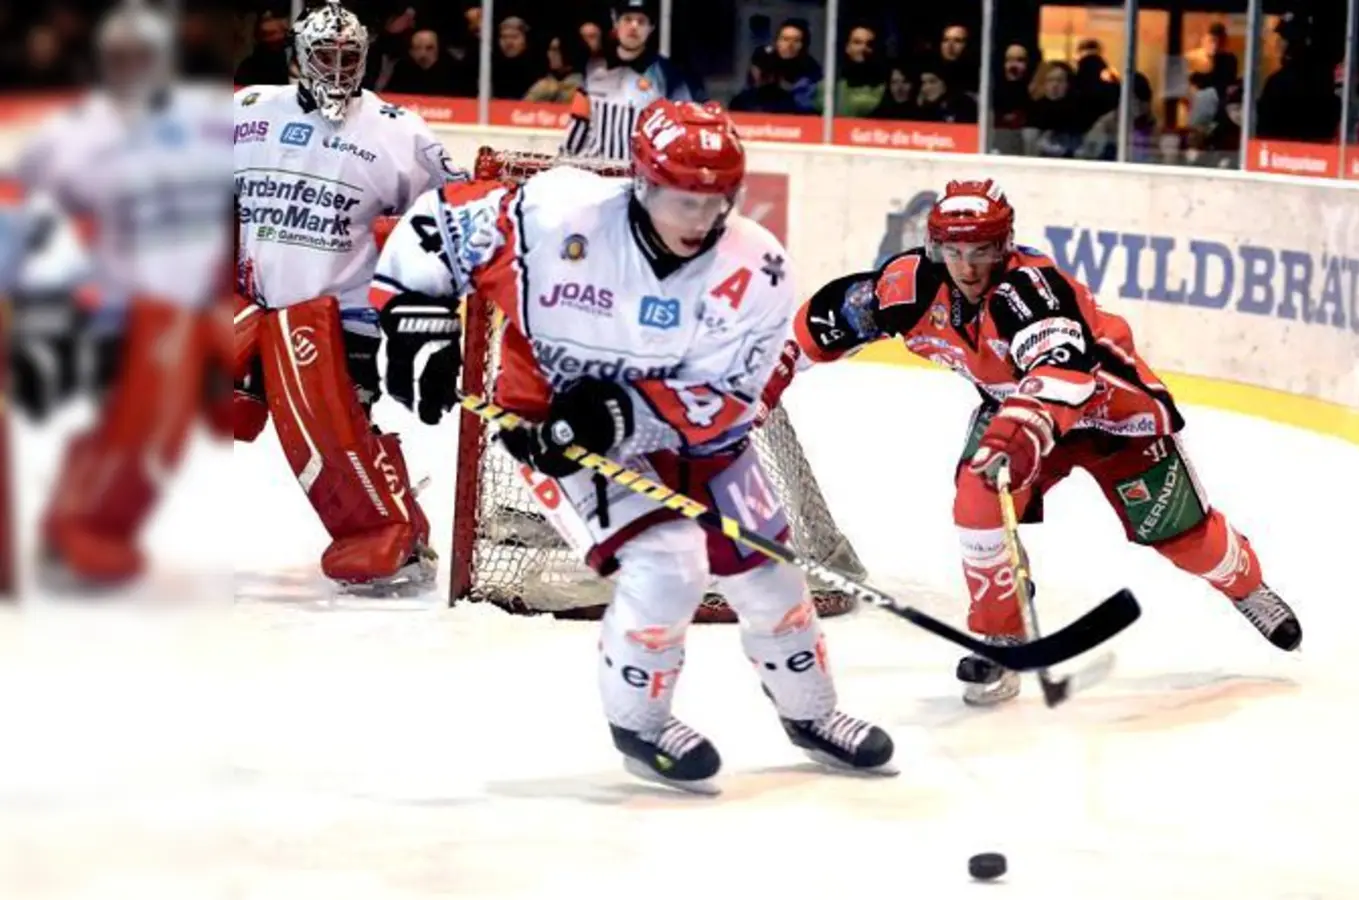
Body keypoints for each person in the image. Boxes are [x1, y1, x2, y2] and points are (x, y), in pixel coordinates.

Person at [369, 99, 895, 793]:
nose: (701, 220)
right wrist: (416, 323)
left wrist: (622, 413)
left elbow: (735, 396)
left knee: (771, 574)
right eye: (684, 200)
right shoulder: (554, 217)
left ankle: (811, 715)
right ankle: (641, 725)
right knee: (668, 565)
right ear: (642, 182)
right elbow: (435, 226)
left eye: (718, 201)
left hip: (695, 438)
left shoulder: (757, 268)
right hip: (550, 428)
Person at [762, 180, 1303, 706]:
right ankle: (1002, 635)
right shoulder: (908, 288)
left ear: (1005, 245)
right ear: (936, 247)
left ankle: (1245, 585)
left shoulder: (1030, 290)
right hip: (1016, 412)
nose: (968, 266)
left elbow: (1065, 372)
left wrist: (1018, 429)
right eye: (954, 250)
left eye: (983, 249)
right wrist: (760, 385)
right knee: (977, 501)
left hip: (1111, 417)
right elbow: (822, 322)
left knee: (1187, 539)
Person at [232, 1, 465, 596]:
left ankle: (393, 534)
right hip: (255, 307)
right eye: (325, 56)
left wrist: (429, 296)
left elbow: (457, 205)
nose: (338, 69)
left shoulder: (396, 128)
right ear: (296, 59)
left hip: (342, 316)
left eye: (350, 57)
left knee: (335, 430)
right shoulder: (248, 110)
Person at [14, 0, 233, 589]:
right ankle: (80, 529)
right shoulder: (74, 131)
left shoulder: (206, 120)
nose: (133, 66)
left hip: (194, 308)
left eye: (144, 55)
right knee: (133, 431)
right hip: (116, 310)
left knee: (149, 433)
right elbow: (19, 204)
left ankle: (74, 524)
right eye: (122, 56)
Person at [561, 0, 702, 162]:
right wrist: (565, 161)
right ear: (616, 23)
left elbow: (684, 127)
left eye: (641, 21)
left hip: (643, 177)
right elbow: (578, 124)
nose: (634, 26)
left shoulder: (668, 74)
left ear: (651, 28)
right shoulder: (593, 66)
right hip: (593, 174)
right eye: (627, 19)